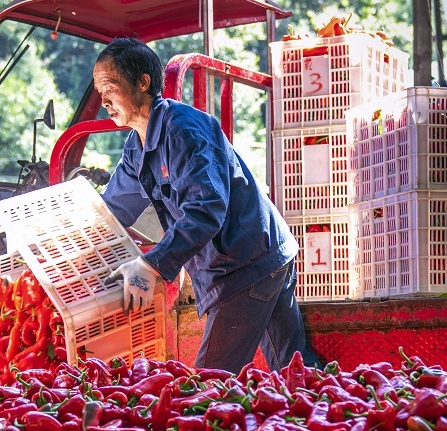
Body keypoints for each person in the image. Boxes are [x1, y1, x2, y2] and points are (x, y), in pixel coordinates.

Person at [93, 38, 322, 374]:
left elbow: (206, 210)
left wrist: (150, 264)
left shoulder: (183, 130)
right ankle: (336, 405)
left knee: (211, 379)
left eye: (110, 88)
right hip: (260, 255)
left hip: (247, 262)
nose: (103, 101)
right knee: (295, 370)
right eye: (99, 91)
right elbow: (114, 209)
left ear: (142, 82)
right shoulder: (136, 146)